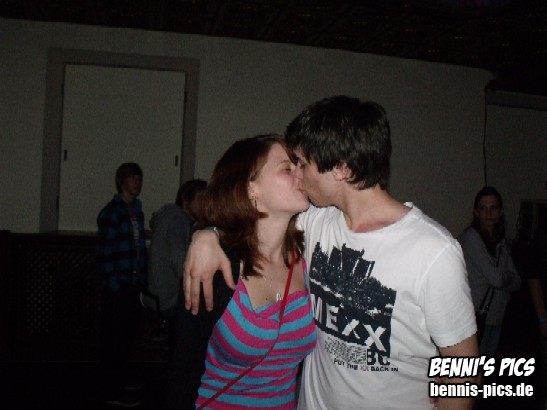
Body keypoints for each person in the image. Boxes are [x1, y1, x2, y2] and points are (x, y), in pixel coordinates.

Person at [184, 96, 478, 409]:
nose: (298, 175)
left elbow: (464, 370)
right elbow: (250, 219)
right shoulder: (316, 222)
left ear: (341, 168)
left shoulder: (434, 251)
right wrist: (207, 234)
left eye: (302, 163)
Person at [97, 162, 147, 408]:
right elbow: (105, 253)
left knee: (125, 337)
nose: (136, 182)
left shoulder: (136, 210)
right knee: (114, 340)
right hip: (118, 286)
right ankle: (111, 390)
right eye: (131, 178)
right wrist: (115, 284)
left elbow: (138, 249)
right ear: (121, 181)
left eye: (138, 177)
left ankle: (118, 382)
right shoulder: (112, 213)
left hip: (132, 284)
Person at [458, 186, 521, 357]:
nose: (488, 213)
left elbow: (517, 282)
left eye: (493, 208)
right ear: (476, 212)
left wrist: (505, 278)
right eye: (483, 208)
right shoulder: (471, 239)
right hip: (475, 315)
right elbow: (497, 279)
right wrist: (506, 278)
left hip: (496, 314)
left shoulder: (502, 242)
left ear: (500, 212)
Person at [146, 178, 207, 340]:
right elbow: (180, 264)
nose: (205, 205)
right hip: (168, 298)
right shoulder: (177, 220)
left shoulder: (172, 217)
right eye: (201, 199)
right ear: (185, 199)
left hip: (156, 293)